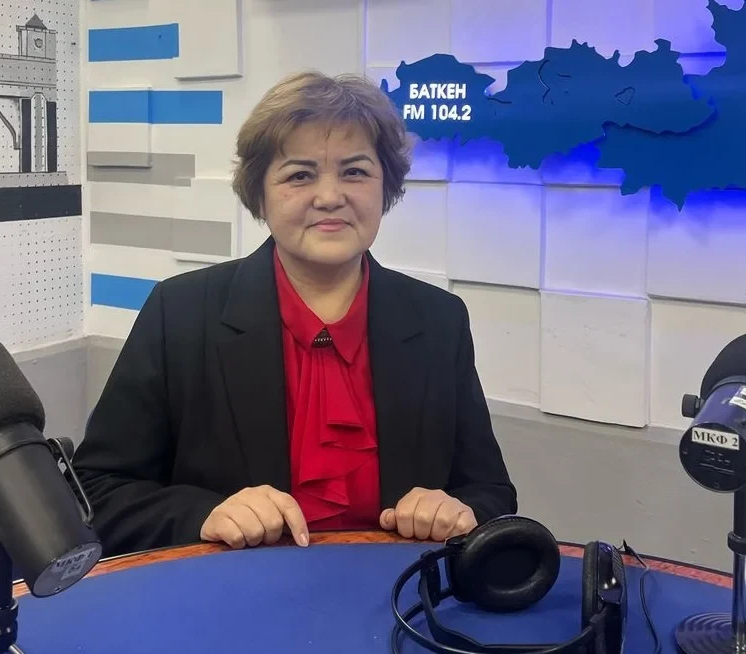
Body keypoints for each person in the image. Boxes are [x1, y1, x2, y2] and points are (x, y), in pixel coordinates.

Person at [71, 70, 518, 557]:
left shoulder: (438, 319)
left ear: (385, 187)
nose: (329, 197)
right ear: (259, 194)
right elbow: (98, 489)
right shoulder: (179, 313)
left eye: (354, 171)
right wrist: (204, 515)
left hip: (399, 593)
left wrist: (457, 510)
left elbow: (491, 493)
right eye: (299, 175)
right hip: (231, 589)